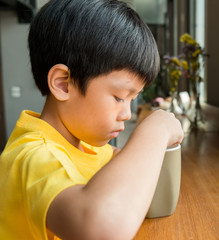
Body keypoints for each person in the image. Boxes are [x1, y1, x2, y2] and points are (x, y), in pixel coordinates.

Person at [0, 0, 184, 239]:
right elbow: (102, 229)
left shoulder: (88, 148)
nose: (127, 113)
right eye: (119, 97)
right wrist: (155, 131)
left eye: (132, 99)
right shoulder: (31, 156)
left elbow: (139, 187)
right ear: (63, 84)